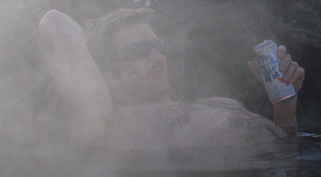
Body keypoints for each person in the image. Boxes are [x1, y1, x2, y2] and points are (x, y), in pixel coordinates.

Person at [38, 8, 304, 152]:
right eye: (139, 51)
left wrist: (284, 105)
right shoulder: (105, 122)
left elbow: (284, 145)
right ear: (106, 72)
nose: (158, 58)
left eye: (157, 46)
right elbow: (55, 22)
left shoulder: (217, 103)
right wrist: (93, 38)